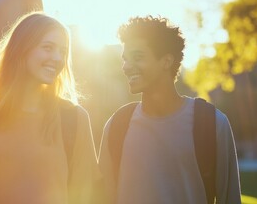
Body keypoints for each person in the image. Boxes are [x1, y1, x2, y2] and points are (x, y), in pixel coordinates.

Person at [0, 12, 98, 204]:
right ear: (21, 50)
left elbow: (85, 195)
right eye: (48, 47)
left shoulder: (74, 119)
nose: (58, 58)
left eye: (63, 52)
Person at [98, 16, 241, 204]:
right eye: (125, 59)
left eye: (137, 57)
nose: (126, 66)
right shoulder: (117, 125)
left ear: (166, 61)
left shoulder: (212, 123)